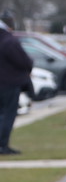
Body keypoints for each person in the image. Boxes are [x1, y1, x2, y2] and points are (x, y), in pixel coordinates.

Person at [0, 10, 33, 156]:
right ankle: (3, 145)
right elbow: (24, 61)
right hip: (9, 84)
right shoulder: (9, 41)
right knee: (8, 115)